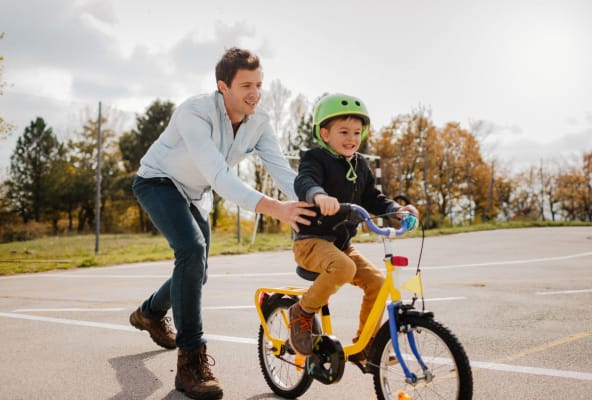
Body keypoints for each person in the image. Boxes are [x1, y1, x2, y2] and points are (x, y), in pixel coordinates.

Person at [129, 47, 315, 400]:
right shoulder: (194, 113)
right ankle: (190, 364)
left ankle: (149, 313)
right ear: (222, 87)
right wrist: (276, 208)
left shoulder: (258, 122)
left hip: (195, 193)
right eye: (246, 85)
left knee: (197, 270)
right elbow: (217, 173)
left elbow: (282, 171)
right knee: (191, 250)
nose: (255, 93)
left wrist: (312, 198)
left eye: (259, 84)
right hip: (158, 182)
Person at [288, 93, 419, 360]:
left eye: (357, 132)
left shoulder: (361, 166)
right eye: (343, 131)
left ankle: (366, 345)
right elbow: (305, 181)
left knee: (379, 282)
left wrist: (396, 210)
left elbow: (373, 197)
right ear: (325, 134)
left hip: (341, 245)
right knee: (344, 268)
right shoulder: (314, 158)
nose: (351, 138)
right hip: (311, 241)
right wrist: (318, 195)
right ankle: (301, 312)